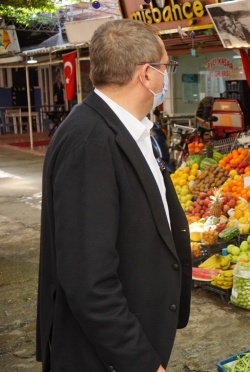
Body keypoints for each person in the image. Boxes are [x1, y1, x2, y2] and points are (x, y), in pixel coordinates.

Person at [36, 20, 191, 372]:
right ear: (146, 74)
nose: (167, 77)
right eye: (166, 67)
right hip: (103, 356)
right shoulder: (90, 140)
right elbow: (88, 279)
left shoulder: (132, 130)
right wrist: (139, 360)